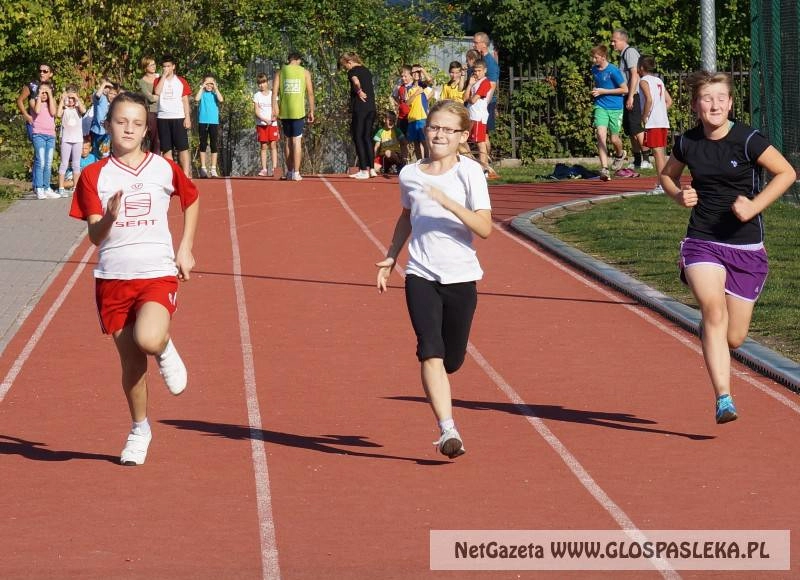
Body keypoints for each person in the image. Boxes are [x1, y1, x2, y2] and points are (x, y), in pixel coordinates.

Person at [68, 91, 200, 465]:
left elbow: (192, 199)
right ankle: (139, 429)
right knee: (132, 366)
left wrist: (185, 248)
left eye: (137, 123)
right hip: (113, 279)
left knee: (149, 337)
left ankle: (164, 346)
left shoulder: (162, 167)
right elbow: (95, 236)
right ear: (108, 124)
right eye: (122, 121)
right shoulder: (94, 175)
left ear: (146, 130)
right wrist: (109, 217)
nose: (129, 128)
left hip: (156, 273)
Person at [660, 70, 795, 424]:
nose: (714, 105)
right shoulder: (687, 143)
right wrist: (678, 194)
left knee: (733, 338)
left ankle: (713, 337)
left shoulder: (748, 139)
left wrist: (753, 206)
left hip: (746, 249)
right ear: (695, 106)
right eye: (707, 98)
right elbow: (667, 174)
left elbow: (786, 173)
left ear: (731, 104)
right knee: (713, 310)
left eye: (721, 98)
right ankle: (724, 397)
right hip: (702, 240)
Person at [375, 99, 492, 459]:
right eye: (434, 127)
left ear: (462, 136)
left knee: (451, 359)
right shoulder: (410, 173)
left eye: (447, 129)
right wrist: (391, 256)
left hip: (461, 277)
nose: (439, 134)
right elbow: (407, 216)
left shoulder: (470, 173)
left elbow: (484, 228)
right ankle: (447, 431)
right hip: (420, 274)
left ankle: (444, 387)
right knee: (430, 350)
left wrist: (450, 204)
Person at [611, 28, 651, 169]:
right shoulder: (623, 56)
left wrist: (631, 96)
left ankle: (647, 160)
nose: (612, 44)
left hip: (633, 95)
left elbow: (635, 75)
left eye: (614, 41)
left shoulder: (630, 52)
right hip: (627, 95)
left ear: (623, 40)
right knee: (630, 130)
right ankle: (637, 160)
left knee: (637, 128)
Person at [272, 52, 315, 181]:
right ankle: (296, 172)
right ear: (298, 60)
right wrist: (311, 110)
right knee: (296, 141)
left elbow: (274, 92)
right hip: (298, 112)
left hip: (284, 111)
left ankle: (290, 171)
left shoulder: (280, 72)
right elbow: (310, 93)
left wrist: (274, 108)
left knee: (288, 141)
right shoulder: (305, 72)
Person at [589, 44, 628, 181]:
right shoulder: (594, 70)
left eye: (596, 57)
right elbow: (600, 84)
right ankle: (604, 169)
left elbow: (625, 90)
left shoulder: (613, 71)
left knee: (614, 139)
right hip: (600, 106)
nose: (593, 60)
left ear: (604, 57)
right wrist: (597, 91)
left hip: (615, 108)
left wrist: (604, 91)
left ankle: (620, 154)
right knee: (600, 135)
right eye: (593, 57)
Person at [154, 54, 193, 179]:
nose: (166, 68)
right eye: (164, 66)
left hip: (178, 116)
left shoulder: (181, 81)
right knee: (166, 148)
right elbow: (157, 92)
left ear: (173, 67)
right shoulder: (158, 80)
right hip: (163, 117)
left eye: (168, 66)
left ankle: (185, 175)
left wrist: (187, 117)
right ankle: (171, 175)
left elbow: (185, 100)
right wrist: (163, 77)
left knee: (182, 147)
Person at [637, 56, 672, 193]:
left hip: (654, 122)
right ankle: (664, 183)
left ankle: (663, 185)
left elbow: (649, 100)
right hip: (662, 120)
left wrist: (644, 116)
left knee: (657, 154)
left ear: (641, 67)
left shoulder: (643, 81)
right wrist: (661, 110)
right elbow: (669, 101)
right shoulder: (658, 80)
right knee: (661, 153)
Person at [340, 52, 377, 179]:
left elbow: (356, 82)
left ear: (349, 62)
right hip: (371, 107)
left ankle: (363, 169)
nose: (346, 69)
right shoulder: (366, 70)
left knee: (358, 136)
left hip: (360, 108)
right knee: (367, 137)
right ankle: (371, 168)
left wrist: (359, 91)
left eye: (345, 66)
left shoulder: (352, 71)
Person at [30, 80, 60, 199]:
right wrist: (39, 95)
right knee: (40, 161)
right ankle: (39, 188)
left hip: (50, 136)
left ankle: (47, 187)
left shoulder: (51, 103)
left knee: (48, 163)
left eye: (46, 92)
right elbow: (37, 111)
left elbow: (54, 113)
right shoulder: (33, 101)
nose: (44, 95)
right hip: (39, 135)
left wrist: (50, 94)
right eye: (41, 92)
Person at [56, 84, 87, 197]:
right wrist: (62, 100)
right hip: (66, 139)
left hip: (77, 139)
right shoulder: (64, 108)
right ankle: (61, 187)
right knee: (64, 163)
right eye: (69, 98)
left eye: (72, 98)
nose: (71, 100)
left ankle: (76, 187)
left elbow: (84, 111)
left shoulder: (78, 108)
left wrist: (76, 98)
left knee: (76, 164)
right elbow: (58, 114)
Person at [472, 32, 500, 153]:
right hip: (478, 102)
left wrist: (484, 104)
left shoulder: (490, 62)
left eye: (476, 43)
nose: (473, 45)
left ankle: (487, 162)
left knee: (484, 136)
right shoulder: (481, 59)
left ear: (483, 44)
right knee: (482, 135)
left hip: (485, 103)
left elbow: (492, 85)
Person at [464, 60, 493, 173]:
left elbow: (473, 99)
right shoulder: (474, 82)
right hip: (471, 115)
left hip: (478, 116)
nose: (477, 73)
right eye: (475, 71)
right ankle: (476, 164)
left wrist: (470, 98)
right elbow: (465, 97)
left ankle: (484, 168)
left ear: (485, 71)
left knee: (480, 142)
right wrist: (470, 85)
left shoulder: (485, 83)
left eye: (479, 71)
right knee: (466, 140)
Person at [16, 63, 55, 143]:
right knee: (39, 150)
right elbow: (19, 100)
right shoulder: (31, 84)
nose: (41, 73)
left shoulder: (51, 86)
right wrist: (26, 115)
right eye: (40, 71)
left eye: (45, 71)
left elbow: (52, 103)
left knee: (41, 152)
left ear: (50, 74)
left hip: (46, 125)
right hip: (33, 123)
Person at [195, 74, 224, 178]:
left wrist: (215, 88)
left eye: (211, 83)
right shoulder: (202, 93)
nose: (209, 85)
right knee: (202, 144)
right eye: (207, 83)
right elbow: (196, 99)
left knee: (213, 145)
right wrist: (202, 87)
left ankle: (213, 168)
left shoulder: (215, 93)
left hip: (213, 122)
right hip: (203, 121)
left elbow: (221, 100)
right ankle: (203, 168)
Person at [405, 65, 434, 161]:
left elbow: (430, 80)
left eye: (418, 72)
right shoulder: (409, 88)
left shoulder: (424, 85)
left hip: (422, 118)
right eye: (414, 72)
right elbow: (407, 103)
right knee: (416, 143)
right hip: (412, 119)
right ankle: (419, 161)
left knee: (424, 141)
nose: (416, 74)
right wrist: (416, 93)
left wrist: (422, 70)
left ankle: (428, 161)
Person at [253, 72, 279, 177]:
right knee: (263, 146)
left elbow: (276, 108)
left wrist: (274, 117)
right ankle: (264, 169)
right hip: (261, 124)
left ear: (267, 82)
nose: (261, 85)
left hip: (272, 124)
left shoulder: (273, 94)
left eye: (263, 82)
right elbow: (256, 111)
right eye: (259, 83)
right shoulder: (257, 95)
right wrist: (264, 119)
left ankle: (274, 168)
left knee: (273, 145)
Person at [89, 78, 119, 159]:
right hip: (97, 131)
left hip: (107, 133)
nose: (112, 96)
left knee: (104, 154)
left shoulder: (115, 104)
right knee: (95, 153)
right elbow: (98, 95)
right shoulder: (102, 99)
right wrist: (104, 84)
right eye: (111, 93)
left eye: (114, 94)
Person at [137, 56, 161, 154]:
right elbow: (150, 98)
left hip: (163, 111)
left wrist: (157, 95)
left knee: (160, 139)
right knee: (153, 138)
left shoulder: (160, 78)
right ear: (145, 67)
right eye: (151, 65)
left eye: (154, 64)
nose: (154, 66)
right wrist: (158, 95)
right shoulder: (142, 82)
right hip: (151, 112)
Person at [373, 110, 406, 174]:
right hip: (383, 157)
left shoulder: (397, 131)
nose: (392, 122)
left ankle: (400, 165)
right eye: (390, 120)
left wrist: (404, 157)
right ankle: (387, 168)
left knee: (388, 152)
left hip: (395, 155)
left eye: (394, 121)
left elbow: (404, 143)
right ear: (384, 120)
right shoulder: (380, 132)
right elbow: (377, 146)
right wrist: (375, 158)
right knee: (373, 168)